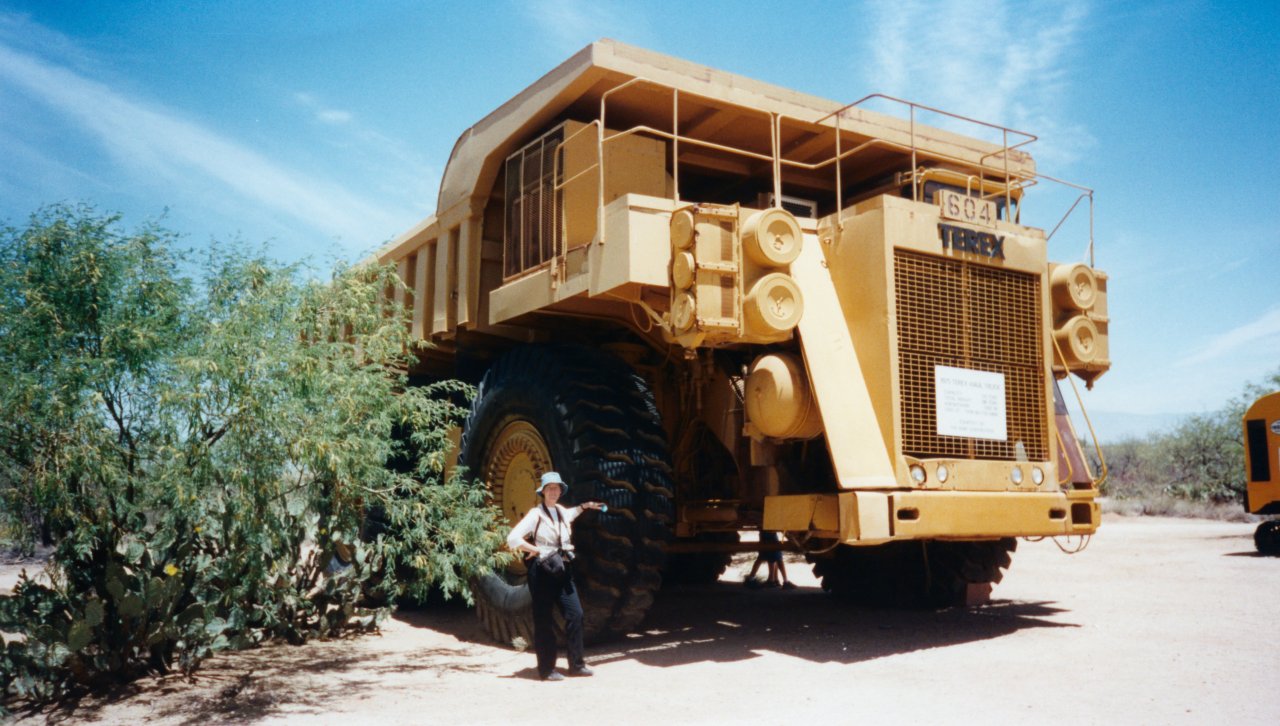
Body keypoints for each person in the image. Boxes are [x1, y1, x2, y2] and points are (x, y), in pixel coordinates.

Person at [506, 471, 605, 681]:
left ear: (561, 491)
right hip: (542, 571)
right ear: (543, 492)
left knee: (575, 614)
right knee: (544, 620)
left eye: (556, 488)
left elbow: (572, 513)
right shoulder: (536, 514)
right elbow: (512, 538)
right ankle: (547, 669)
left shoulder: (561, 511)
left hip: (562, 569)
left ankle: (577, 665)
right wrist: (534, 548)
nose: (553, 492)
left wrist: (585, 506)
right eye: (549, 489)